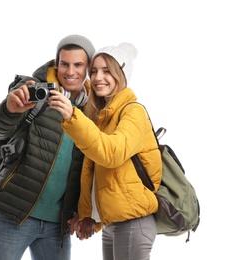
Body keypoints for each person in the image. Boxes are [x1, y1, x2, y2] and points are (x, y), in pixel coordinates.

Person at [0, 34, 96, 260]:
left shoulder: (92, 110)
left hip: (59, 224)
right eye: (64, 63)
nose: (70, 71)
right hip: (13, 214)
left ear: (88, 69)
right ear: (57, 63)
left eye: (78, 65)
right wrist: (9, 108)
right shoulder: (32, 90)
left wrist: (84, 213)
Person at [49, 42, 162, 259]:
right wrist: (87, 216)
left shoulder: (133, 112)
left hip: (133, 222)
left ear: (122, 74)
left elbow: (111, 154)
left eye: (107, 71)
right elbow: (95, 175)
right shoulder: (103, 117)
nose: (98, 77)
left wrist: (73, 117)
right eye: (94, 71)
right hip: (114, 224)